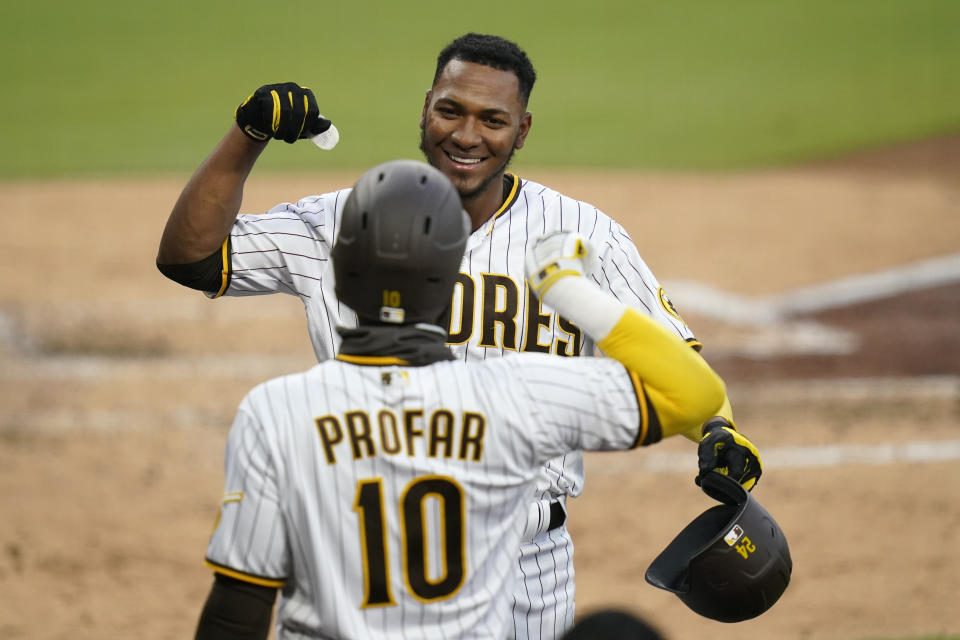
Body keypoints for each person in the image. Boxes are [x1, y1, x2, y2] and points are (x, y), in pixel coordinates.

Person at [159, 33, 762, 639]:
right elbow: (193, 259)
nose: (467, 135)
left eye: (492, 120)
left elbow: (674, 351)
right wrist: (247, 135)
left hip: (523, 562)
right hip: (361, 545)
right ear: (426, 108)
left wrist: (718, 432)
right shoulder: (349, 222)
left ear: (522, 130)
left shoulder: (582, 231)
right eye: (451, 110)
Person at [194, 158, 726, 639]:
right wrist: (567, 288)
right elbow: (695, 391)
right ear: (452, 282)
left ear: (339, 283)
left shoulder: (275, 413)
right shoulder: (514, 398)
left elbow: (238, 605)